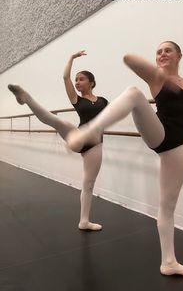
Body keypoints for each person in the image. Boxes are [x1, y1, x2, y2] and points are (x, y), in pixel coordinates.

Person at [65, 41, 183, 277]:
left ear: (179, 55)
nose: (162, 54)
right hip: (159, 132)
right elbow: (129, 58)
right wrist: (160, 75)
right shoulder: (156, 79)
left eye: (168, 50)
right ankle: (90, 130)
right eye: (159, 52)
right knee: (134, 93)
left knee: (167, 206)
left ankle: (169, 262)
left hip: (177, 146)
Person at [8, 50, 108, 231]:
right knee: (58, 121)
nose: (77, 82)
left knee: (88, 183)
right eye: (76, 79)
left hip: (95, 145)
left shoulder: (103, 101)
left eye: (81, 79)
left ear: (91, 82)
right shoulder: (76, 99)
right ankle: (26, 98)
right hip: (79, 136)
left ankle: (84, 221)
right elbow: (65, 78)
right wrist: (71, 58)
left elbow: (111, 116)